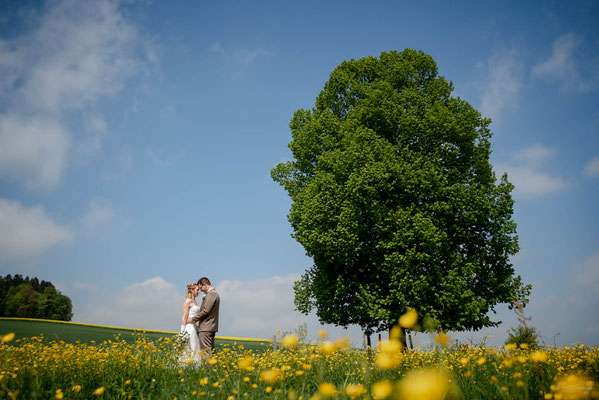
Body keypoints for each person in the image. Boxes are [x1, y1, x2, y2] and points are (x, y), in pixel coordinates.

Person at [187, 277, 219, 359]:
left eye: (200, 288)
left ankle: (208, 370)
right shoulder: (213, 294)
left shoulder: (212, 294)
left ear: (204, 285)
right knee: (210, 351)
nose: (200, 290)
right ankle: (213, 369)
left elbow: (205, 311)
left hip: (206, 327)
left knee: (206, 352)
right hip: (210, 327)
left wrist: (193, 319)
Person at [179, 283, 201, 365]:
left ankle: (195, 365)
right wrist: (182, 333)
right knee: (190, 347)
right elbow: (184, 317)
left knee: (195, 347)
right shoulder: (187, 301)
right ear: (192, 290)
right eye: (197, 290)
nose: (199, 292)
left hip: (195, 327)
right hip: (189, 328)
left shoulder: (195, 302)